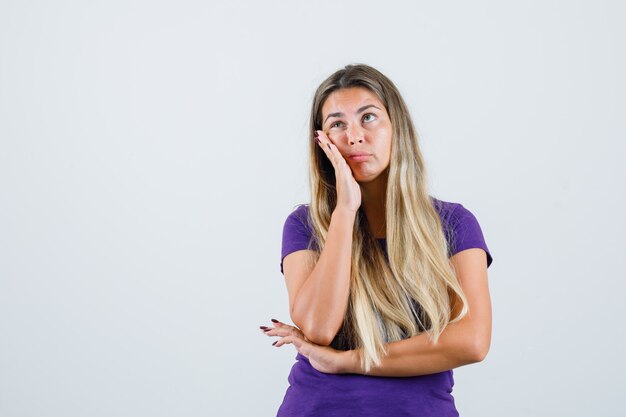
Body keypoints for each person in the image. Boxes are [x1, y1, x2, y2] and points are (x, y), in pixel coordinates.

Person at [259, 64, 494, 417]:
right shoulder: (304, 225)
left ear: (395, 127)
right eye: (337, 124)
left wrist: (347, 361)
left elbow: (472, 342)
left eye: (368, 117)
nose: (353, 136)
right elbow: (318, 330)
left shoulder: (452, 224)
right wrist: (345, 212)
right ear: (322, 141)